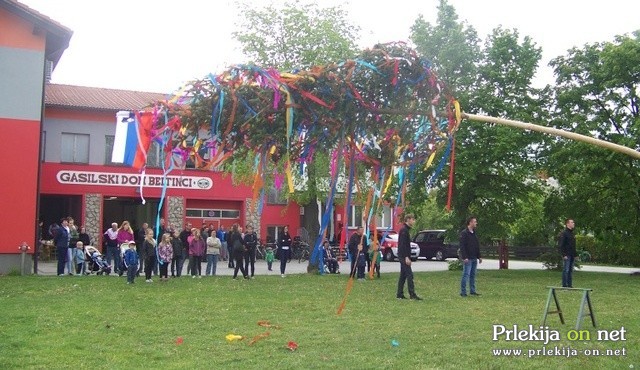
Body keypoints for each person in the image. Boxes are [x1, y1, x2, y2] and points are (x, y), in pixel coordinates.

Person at [396, 214, 422, 300]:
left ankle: (399, 294)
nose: (413, 221)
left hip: (403, 255)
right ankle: (412, 294)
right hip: (404, 256)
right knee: (409, 275)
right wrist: (406, 257)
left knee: (403, 275)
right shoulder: (404, 230)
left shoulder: (406, 230)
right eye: (412, 219)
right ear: (408, 220)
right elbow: (403, 245)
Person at [460, 216, 482, 297]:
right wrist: (464, 257)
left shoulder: (474, 233)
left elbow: (476, 245)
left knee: (473, 275)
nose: (476, 223)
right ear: (470, 222)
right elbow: (462, 246)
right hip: (468, 258)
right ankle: (463, 292)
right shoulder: (464, 233)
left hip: (474, 258)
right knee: (466, 274)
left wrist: (479, 256)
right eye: (474, 222)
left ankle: (472, 291)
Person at [559, 218, 577, 288]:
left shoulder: (572, 234)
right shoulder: (564, 233)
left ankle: (569, 285)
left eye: (573, 222)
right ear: (567, 224)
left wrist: (575, 254)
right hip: (567, 255)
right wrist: (564, 254)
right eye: (572, 222)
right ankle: (564, 285)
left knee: (570, 270)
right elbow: (561, 245)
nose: (573, 224)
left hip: (572, 254)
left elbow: (573, 245)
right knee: (566, 270)